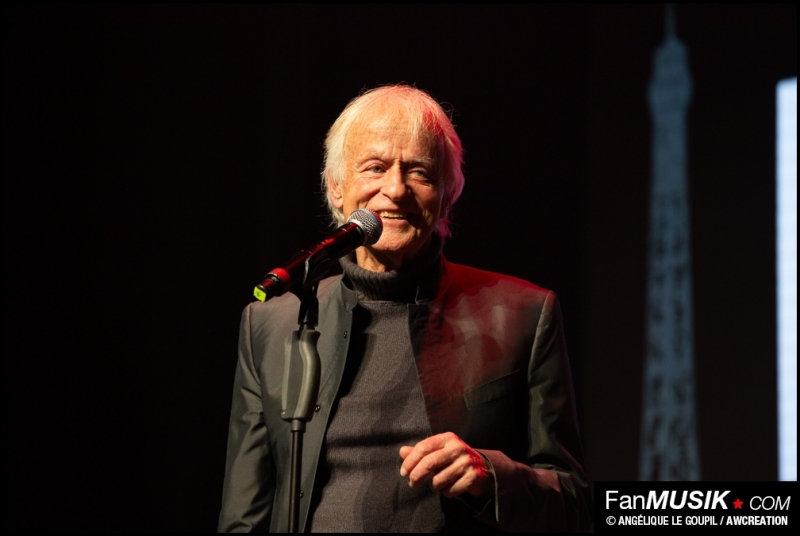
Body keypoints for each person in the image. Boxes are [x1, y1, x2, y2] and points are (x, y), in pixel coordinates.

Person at [218, 85, 592, 532]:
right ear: (337, 189)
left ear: (448, 193)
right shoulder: (271, 323)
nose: (394, 189)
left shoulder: (522, 315)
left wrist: (489, 476)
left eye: (419, 172)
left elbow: (574, 506)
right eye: (374, 167)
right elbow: (245, 514)